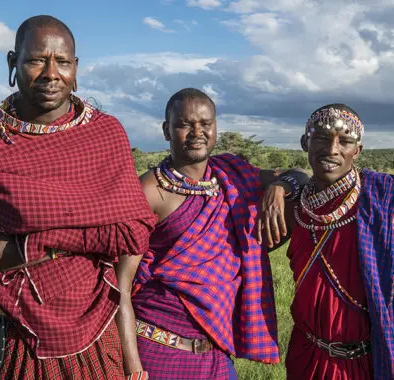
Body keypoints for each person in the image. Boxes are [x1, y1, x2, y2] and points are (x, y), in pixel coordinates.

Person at [0, 15, 155, 379]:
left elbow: (132, 230)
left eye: (63, 62)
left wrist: (29, 237)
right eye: (36, 59)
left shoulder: (105, 134)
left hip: (99, 329)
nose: (51, 73)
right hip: (18, 335)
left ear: (76, 68)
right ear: (13, 62)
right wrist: (66, 242)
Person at [131, 88, 309, 379]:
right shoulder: (149, 190)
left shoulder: (232, 175)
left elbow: (301, 176)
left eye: (206, 123)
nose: (197, 132)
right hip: (156, 345)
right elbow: (120, 286)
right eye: (185, 124)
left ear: (216, 128)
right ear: (166, 130)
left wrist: (280, 187)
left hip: (216, 351)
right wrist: (131, 366)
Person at [282, 104, 393, 379]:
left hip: (366, 361)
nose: (332, 149)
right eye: (320, 137)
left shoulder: (381, 200)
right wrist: (282, 183)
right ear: (305, 142)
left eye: (345, 141)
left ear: (358, 151)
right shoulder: (292, 205)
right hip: (305, 355)